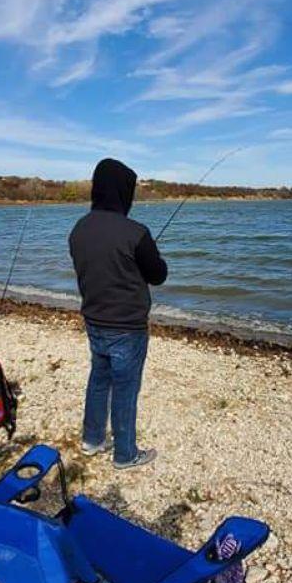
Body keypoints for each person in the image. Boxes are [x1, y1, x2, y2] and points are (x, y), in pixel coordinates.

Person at [65, 156, 170, 466]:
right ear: (124, 192)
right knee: (125, 389)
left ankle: (92, 439)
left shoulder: (79, 229)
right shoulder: (135, 232)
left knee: (99, 379)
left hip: (94, 321)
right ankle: (125, 454)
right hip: (128, 327)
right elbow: (158, 275)